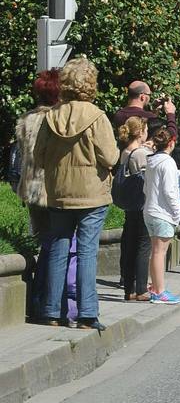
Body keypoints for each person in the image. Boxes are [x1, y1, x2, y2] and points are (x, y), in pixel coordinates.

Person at [33, 57, 119, 330]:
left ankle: (51, 312)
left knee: (58, 249)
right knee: (86, 252)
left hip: (59, 192)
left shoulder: (51, 117)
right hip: (92, 194)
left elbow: (38, 156)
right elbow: (111, 157)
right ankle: (86, 314)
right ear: (91, 84)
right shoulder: (97, 116)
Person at [12, 69, 62, 320]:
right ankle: (47, 301)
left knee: (43, 243)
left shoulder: (26, 120)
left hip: (31, 188)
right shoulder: (59, 118)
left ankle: (37, 299)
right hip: (53, 188)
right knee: (57, 247)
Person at [142, 124, 180, 304]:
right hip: (163, 212)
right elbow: (170, 191)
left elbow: (145, 187)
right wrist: (177, 212)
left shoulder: (151, 161)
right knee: (160, 252)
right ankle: (159, 291)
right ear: (171, 143)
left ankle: (155, 286)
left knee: (155, 251)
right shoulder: (168, 163)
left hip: (149, 210)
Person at [115, 116, 153, 301]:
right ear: (140, 132)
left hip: (130, 205)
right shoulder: (140, 154)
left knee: (129, 245)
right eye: (146, 130)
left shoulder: (125, 151)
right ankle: (141, 288)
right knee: (143, 246)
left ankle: (129, 288)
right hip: (142, 203)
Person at [112, 80, 178, 139]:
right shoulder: (148, 117)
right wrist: (170, 114)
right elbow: (170, 137)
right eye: (149, 95)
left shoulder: (118, 115)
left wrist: (155, 111)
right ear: (142, 97)